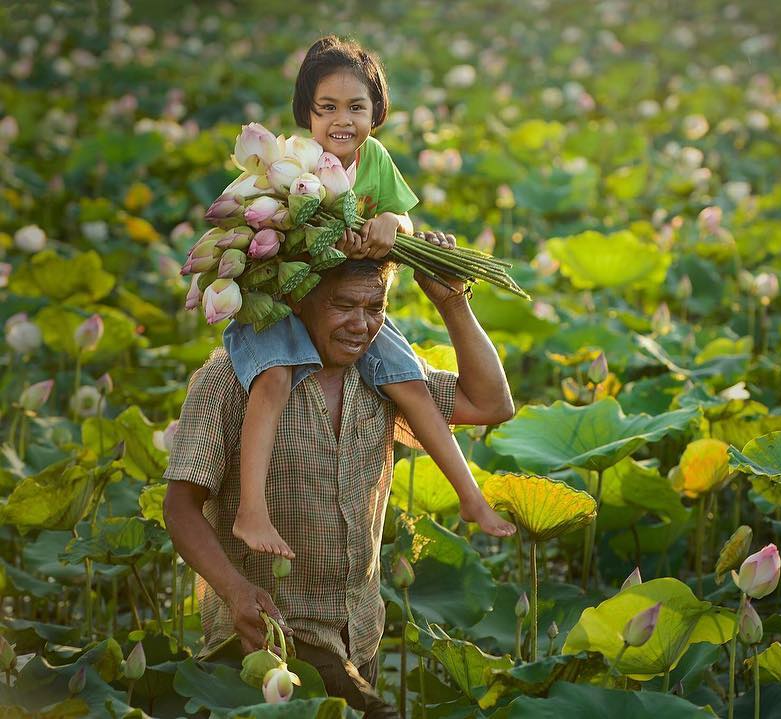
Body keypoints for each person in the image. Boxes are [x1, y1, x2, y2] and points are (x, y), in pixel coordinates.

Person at [163, 253, 516, 715]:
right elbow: (180, 508)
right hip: (266, 640)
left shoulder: (384, 375)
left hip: (361, 634)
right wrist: (234, 591)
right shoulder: (230, 379)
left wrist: (452, 303)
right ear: (299, 300)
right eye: (344, 305)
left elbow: (491, 404)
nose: (361, 325)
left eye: (376, 308)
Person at [226, 35, 515, 560]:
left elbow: (402, 217)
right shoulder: (291, 163)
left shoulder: (375, 159)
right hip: (289, 304)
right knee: (272, 379)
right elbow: (266, 231)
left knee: (410, 383)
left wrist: (388, 223)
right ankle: (252, 509)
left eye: (356, 108)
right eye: (328, 108)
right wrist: (322, 236)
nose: (343, 120)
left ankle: (469, 496)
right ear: (307, 115)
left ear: (376, 113)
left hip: (354, 309)